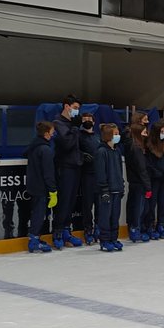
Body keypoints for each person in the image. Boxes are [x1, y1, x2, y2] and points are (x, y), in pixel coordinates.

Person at [51, 95, 85, 250]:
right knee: (64, 200)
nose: (77, 111)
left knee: (71, 201)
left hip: (76, 165)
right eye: (75, 108)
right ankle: (57, 232)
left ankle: (66, 230)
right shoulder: (58, 123)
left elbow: (78, 144)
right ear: (66, 106)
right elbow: (67, 144)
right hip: (64, 166)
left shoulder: (72, 124)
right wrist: (75, 128)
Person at [24, 121, 57, 253]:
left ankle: (35, 238)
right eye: (52, 132)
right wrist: (53, 190)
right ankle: (34, 240)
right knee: (39, 213)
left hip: (33, 185)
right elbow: (48, 172)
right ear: (46, 133)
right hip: (41, 187)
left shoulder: (34, 146)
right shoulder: (45, 149)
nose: (53, 134)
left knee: (37, 212)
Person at [94, 122, 125, 251]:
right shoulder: (101, 152)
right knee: (105, 216)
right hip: (107, 190)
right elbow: (101, 172)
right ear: (108, 135)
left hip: (117, 188)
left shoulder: (116, 151)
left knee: (115, 215)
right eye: (115, 134)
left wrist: (121, 184)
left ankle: (113, 238)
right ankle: (105, 239)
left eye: (118, 134)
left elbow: (119, 170)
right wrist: (104, 189)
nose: (118, 136)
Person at [124, 117, 152, 242]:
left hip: (135, 181)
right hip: (139, 182)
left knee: (136, 206)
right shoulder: (136, 148)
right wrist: (148, 186)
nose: (146, 135)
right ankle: (135, 228)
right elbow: (141, 169)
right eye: (144, 133)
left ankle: (135, 228)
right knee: (138, 207)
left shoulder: (135, 146)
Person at [77, 109, 98, 244]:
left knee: (100, 204)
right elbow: (73, 151)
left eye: (89, 120)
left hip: (99, 175)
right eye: (84, 120)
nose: (87, 122)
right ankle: (88, 229)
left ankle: (99, 228)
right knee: (87, 204)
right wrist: (81, 155)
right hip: (86, 175)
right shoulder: (78, 136)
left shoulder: (98, 137)